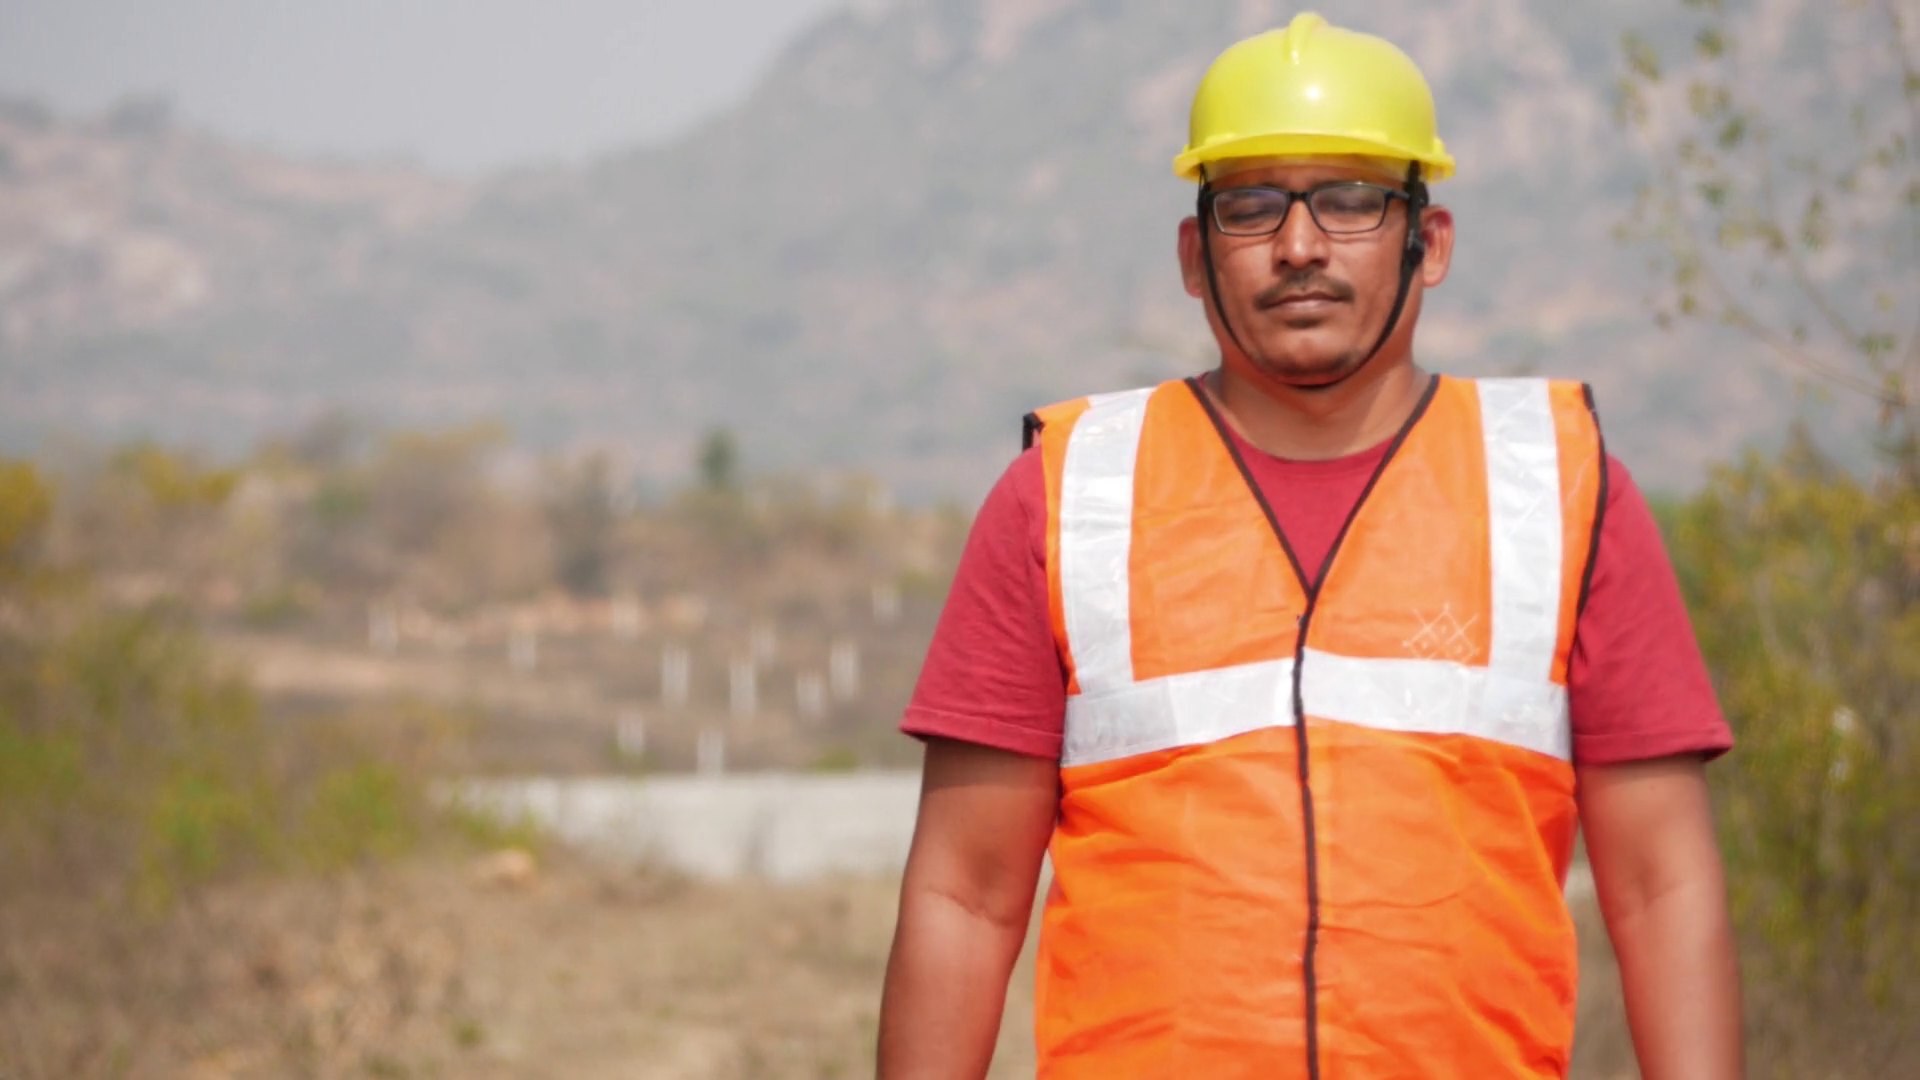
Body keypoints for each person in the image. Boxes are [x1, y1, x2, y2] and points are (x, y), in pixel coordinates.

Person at [876, 12, 1744, 1080]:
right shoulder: (1067, 494)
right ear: (1195, 254)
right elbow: (965, 896)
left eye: (1351, 199)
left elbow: (1662, 887)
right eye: (1251, 206)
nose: (1299, 246)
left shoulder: (1562, 487)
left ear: (1430, 242)